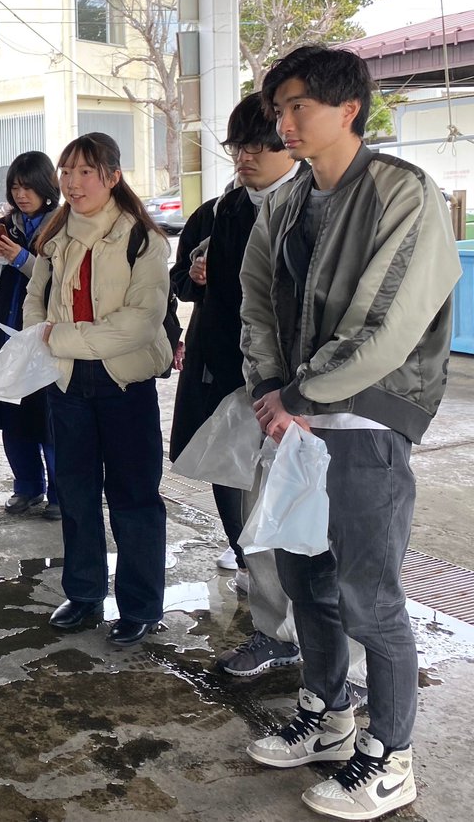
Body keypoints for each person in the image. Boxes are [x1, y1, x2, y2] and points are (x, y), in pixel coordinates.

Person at [239, 46, 460, 820]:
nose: (285, 121)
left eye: (298, 105)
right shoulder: (283, 204)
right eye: (280, 109)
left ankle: (391, 756)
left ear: (348, 109)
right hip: (297, 421)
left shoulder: (403, 193)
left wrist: (297, 391)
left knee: (371, 594)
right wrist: (268, 387)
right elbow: (256, 306)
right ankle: (330, 716)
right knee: (305, 578)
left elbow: (387, 320)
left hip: (366, 418)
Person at [169, 94, 304, 674]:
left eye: (257, 146)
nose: (244, 157)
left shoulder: (313, 206)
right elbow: (204, 293)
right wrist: (196, 278)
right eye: (238, 147)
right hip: (232, 377)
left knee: (306, 520)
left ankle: (330, 659)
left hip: (301, 390)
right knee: (245, 501)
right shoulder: (222, 211)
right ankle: (275, 632)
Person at [22, 132, 171, 647]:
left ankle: (141, 604)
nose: (73, 182)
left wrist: (59, 338)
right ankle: (84, 593)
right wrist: (43, 336)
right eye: (67, 171)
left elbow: (139, 322)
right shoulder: (56, 236)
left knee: (133, 496)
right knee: (77, 493)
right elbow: (34, 301)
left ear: (113, 176)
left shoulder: (143, 240)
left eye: (86, 171)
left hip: (123, 383)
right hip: (67, 384)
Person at [0, 151, 62, 521]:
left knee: (48, 419)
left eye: (28, 186)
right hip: (4, 333)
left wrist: (22, 257)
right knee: (11, 412)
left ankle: (59, 492)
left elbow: (59, 281)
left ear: (46, 187)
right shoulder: (4, 226)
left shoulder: (61, 226)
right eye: (15, 187)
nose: (21, 194)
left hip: (43, 335)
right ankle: (27, 486)